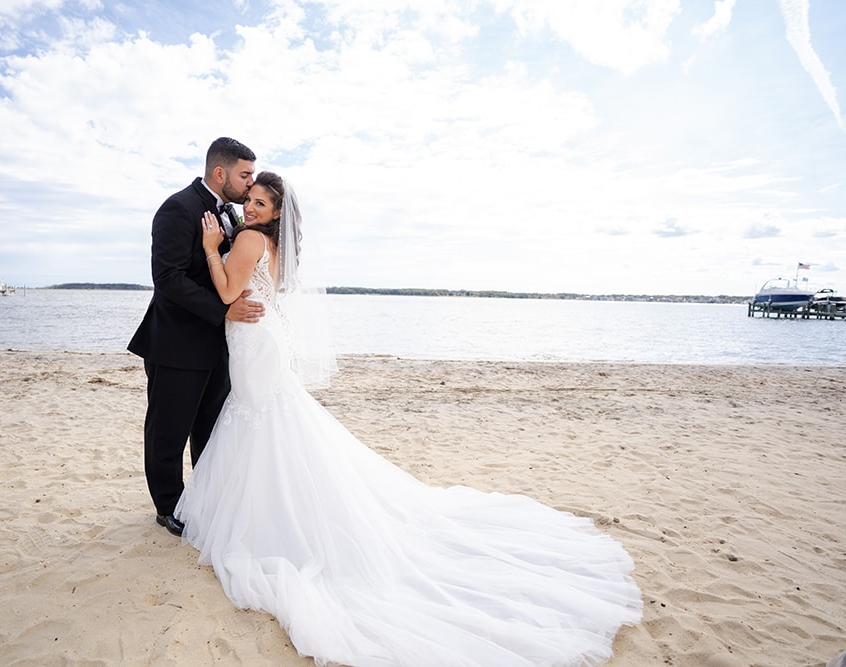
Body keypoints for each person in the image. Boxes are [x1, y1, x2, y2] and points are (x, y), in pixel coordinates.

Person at [177, 171, 643, 667]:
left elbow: (228, 292)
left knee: (261, 421)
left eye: (261, 202)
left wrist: (210, 246)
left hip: (254, 342)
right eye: (249, 199)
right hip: (263, 340)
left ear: (275, 213)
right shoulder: (272, 244)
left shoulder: (247, 238)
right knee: (267, 423)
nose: (250, 207)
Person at [127, 137, 263, 538]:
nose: (249, 184)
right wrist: (223, 310)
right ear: (220, 173)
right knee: (168, 431)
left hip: (219, 344)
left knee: (209, 429)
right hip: (177, 343)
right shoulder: (177, 208)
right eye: (244, 175)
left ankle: (201, 501)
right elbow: (167, 278)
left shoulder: (235, 217)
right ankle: (167, 507)